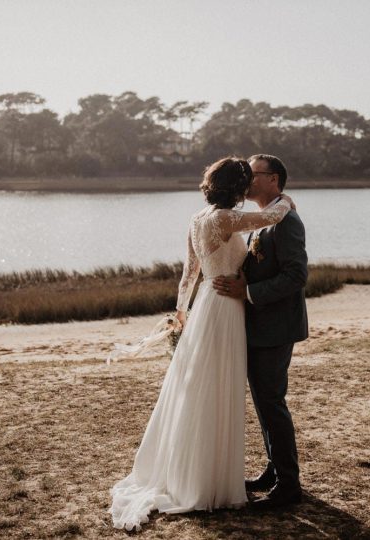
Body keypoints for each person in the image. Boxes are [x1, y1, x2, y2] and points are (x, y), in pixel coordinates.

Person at [107, 157, 295, 531]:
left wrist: (181, 313)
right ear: (238, 189)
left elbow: (188, 274)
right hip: (225, 309)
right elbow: (273, 217)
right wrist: (287, 199)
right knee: (216, 388)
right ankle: (208, 483)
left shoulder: (197, 219)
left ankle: (197, 475)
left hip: (207, 304)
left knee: (200, 388)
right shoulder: (226, 219)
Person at [213, 154, 308, 510]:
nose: (248, 180)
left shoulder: (287, 222)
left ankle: (289, 486)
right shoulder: (262, 220)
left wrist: (248, 292)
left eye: (254, 174)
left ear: (274, 180)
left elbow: (296, 276)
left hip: (276, 327)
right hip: (257, 327)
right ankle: (274, 472)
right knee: (264, 405)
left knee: (272, 404)